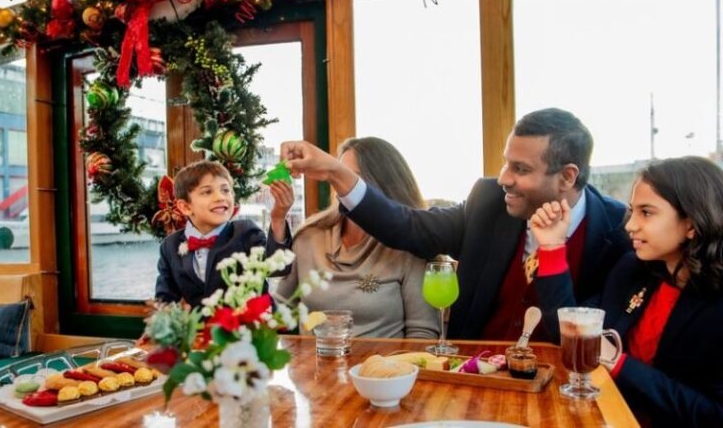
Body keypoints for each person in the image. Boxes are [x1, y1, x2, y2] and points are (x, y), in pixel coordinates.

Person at [280, 108, 632, 340]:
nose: (504, 179)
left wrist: (552, 251)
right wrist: (336, 173)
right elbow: (408, 226)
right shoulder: (488, 203)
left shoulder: (617, 234)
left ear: (567, 176)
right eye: (505, 163)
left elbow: (585, 343)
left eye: (521, 169)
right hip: (477, 379)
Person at [530, 157, 723, 427]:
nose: (630, 225)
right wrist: (551, 247)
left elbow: (713, 414)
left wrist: (619, 363)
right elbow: (569, 332)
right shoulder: (633, 269)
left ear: (691, 224)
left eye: (646, 212)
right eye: (632, 211)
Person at [276, 137, 440, 339]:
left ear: (383, 183)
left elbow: (423, 334)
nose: (340, 184)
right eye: (335, 174)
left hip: (381, 368)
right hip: (313, 368)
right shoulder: (307, 237)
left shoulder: (409, 246)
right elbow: (279, 310)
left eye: (350, 177)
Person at [155, 160, 293, 307]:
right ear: (185, 207)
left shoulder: (246, 231)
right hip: (200, 329)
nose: (220, 197)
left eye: (225, 190)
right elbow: (165, 299)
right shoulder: (169, 246)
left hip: (252, 327)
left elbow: (278, 267)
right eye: (207, 192)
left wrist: (278, 218)